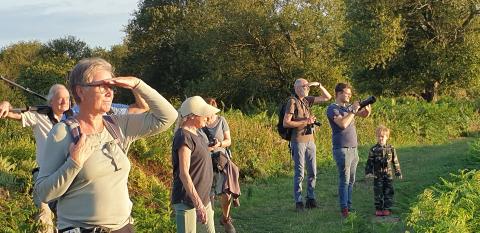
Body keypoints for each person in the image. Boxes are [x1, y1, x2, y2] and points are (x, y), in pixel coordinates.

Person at [34, 57, 177, 232]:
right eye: (102, 86)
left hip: (123, 227)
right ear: (80, 91)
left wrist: (137, 85)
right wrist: (74, 163)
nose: (110, 93)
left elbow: (168, 117)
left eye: (111, 87)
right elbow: (43, 193)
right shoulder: (62, 133)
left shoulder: (117, 125)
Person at [0, 84, 70, 233]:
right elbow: (13, 113)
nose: (64, 102)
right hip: (44, 175)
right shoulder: (39, 116)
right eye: (60, 99)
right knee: (45, 217)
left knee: (70, 219)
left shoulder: (74, 119)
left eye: (67, 99)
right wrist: (5, 105)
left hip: (66, 175)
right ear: (51, 102)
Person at [172, 96, 220, 233]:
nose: (208, 116)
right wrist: (198, 204)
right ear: (192, 116)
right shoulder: (183, 136)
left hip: (203, 199)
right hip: (187, 202)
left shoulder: (197, 134)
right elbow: (184, 173)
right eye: (204, 113)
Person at [282, 78, 332, 211]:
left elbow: (327, 97)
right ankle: (298, 202)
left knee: (312, 172)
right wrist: (306, 121)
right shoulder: (292, 102)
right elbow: (286, 123)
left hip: (310, 140)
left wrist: (319, 85)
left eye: (308, 86)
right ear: (297, 88)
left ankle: (311, 198)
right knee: (300, 173)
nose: (307, 88)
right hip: (298, 141)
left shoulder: (307, 100)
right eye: (305, 86)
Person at [326, 83, 371, 218]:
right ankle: (344, 208)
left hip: (353, 148)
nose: (349, 96)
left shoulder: (348, 108)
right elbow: (343, 124)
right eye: (347, 93)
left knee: (351, 180)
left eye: (350, 94)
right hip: (342, 149)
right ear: (338, 93)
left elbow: (363, 115)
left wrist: (367, 110)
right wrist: (353, 110)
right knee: (344, 180)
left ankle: (349, 206)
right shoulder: (332, 108)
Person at [203, 98, 237, 233]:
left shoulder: (221, 120)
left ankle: (226, 218)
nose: (210, 115)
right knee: (208, 194)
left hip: (221, 160)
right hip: (205, 161)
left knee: (226, 192)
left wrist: (219, 144)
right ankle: (209, 223)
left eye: (212, 111)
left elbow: (228, 141)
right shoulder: (200, 123)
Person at [365, 125, 402, 217]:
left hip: (388, 175)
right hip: (378, 176)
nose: (380, 138)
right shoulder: (373, 149)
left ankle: (386, 208)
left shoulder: (391, 148)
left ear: (387, 137)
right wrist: (369, 172)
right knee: (378, 191)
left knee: (388, 191)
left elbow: (395, 161)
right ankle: (379, 208)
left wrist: (398, 172)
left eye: (382, 136)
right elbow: (369, 162)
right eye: (378, 136)